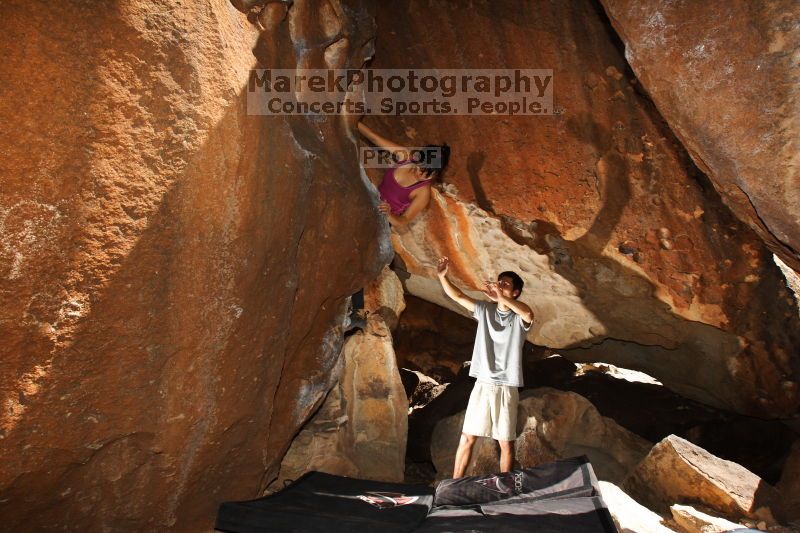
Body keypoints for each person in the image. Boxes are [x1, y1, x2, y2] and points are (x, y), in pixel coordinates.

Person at [344, 122, 451, 332]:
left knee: (358, 260)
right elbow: (375, 139)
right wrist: (351, 118)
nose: (423, 175)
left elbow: (404, 221)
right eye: (422, 170)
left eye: (429, 174)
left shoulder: (423, 192)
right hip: (368, 201)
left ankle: (356, 313)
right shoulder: (406, 156)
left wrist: (389, 212)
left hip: (383, 221)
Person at [436, 256, 534, 478]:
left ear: (515, 292)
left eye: (505, 284)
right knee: (467, 437)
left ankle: (504, 487)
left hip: (506, 386)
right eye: (499, 283)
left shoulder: (519, 316)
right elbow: (458, 296)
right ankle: (454, 484)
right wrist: (443, 277)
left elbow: (528, 314)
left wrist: (501, 298)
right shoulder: (485, 311)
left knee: (505, 442)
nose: (500, 286)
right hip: (483, 383)